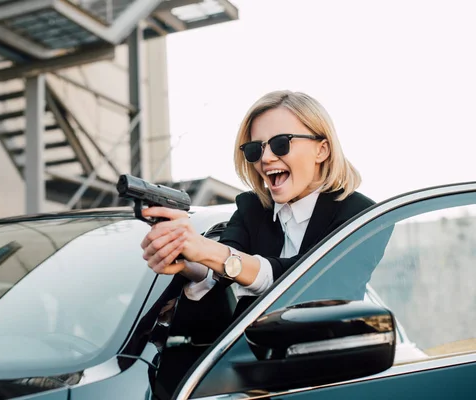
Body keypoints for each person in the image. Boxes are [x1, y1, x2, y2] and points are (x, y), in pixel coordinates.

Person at [140, 90, 377, 318]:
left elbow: (314, 283)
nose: (265, 158)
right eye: (255, 149)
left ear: (322, 150)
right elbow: (221, 268)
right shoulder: (251, 208)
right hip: (247, 356)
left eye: (281, 143)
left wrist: (206, 250)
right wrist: (183, 254)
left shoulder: (362, 216)